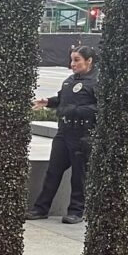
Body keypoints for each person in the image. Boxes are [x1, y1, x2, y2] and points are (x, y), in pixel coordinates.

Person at [27, 45, 99, 225]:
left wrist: (76, 110)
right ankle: (40, 209)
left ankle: (76, 211)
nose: (72, 64)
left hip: (82, 134)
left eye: (77, 60)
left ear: (89, 61)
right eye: (72, 59)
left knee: (78, 176)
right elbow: (61, 99)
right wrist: (48, 102)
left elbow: (101, 108)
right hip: (63, 133)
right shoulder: (69, 81)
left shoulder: (97, 82)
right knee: (53, 172)